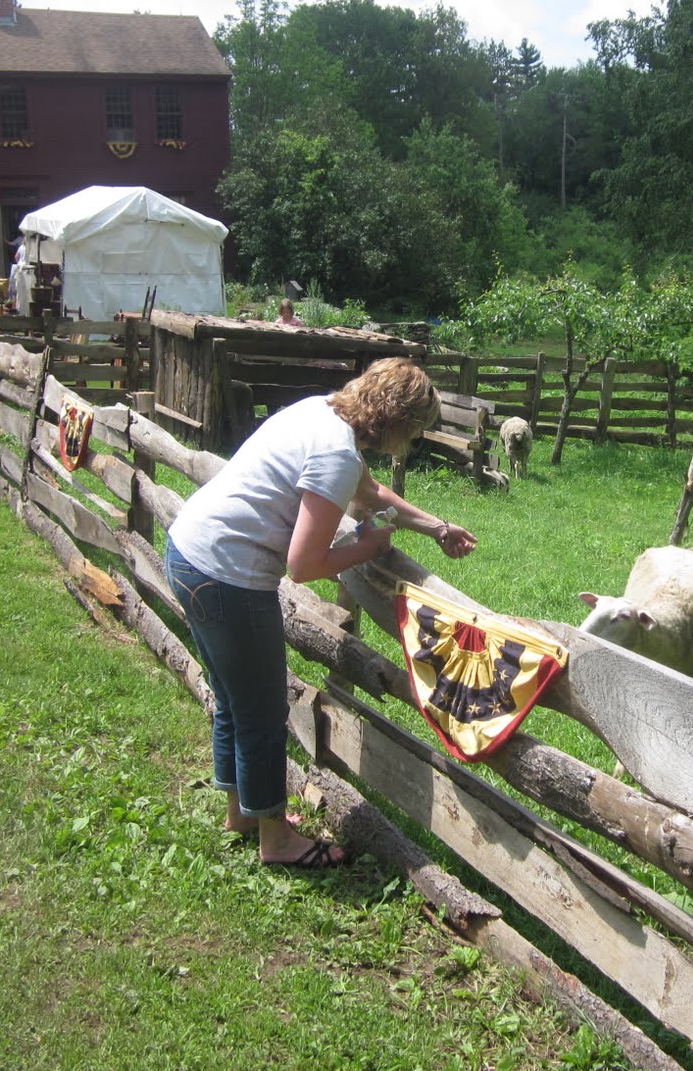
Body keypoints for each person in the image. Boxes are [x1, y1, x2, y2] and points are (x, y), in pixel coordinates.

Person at [163, 358, 477, 870]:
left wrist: (436, 527)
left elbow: (370, 493)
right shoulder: (336, 454)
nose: (413, 441)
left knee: (233, 700)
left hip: (189, 554)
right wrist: (369, 547)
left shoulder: (320, 413)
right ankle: (276, 840)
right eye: (416, 429)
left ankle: (243, 812)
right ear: (395, 419)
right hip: (226, 578)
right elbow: (305, 565)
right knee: (263, 711)